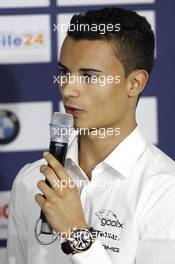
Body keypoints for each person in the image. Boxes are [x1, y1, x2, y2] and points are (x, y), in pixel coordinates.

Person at [6, 7, 175, 264]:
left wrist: (77, 235)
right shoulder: (30, 180)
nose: (68, 89)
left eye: (89, 76)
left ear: (135, 83)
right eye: (64, 73)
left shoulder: (164, 189)